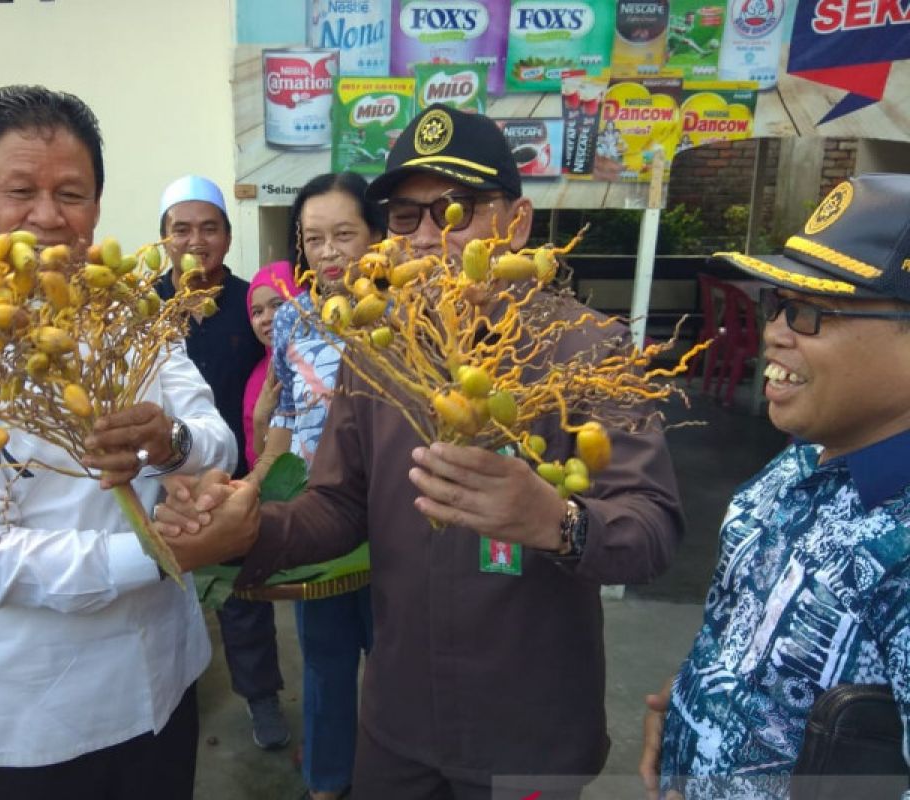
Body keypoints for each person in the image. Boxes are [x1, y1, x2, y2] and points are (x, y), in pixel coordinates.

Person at [155, 104, 685, 799]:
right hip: (400, 723)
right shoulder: (379, 353)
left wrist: (560, 522)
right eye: (407, 216)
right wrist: (249, 527)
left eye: (457, 209)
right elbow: (339, 507)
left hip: (527, 730)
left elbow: (652, 525)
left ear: (518, 223)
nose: (432, 236)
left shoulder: (584, 349)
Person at [0, 85, 235, 800]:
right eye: (20, 190)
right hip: (34, 727)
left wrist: (172, 444)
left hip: (163, 688)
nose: (46, 217)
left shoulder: (135, 324)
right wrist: (159, 553)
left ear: (97, 208)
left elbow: (217, 443)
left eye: (71, 193)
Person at [640, 173, 910, 800]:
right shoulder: (802, 459)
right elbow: (742, 622)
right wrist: (689, 709)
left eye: (813, 311)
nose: (776, 333)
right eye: (780, 303)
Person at [248, 173, 381, 800]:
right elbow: (285, 416)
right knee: (324, 661)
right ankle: (327, 782)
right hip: (316, 518)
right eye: (314, 239)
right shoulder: (293, 322)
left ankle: (390, 776)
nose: (329, 253)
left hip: (392, 521)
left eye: (344, 235)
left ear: (376, 236)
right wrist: (259, 491)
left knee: (393, 664)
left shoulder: (407, 317)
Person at [155, 175, 291, 751]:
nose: (195, 240)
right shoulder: (141, 309)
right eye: (181, 229)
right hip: (159, 477)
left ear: (229, 236)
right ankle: (167, 694)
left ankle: (261, 699)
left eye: (209, 228)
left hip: (235, 477)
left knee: (242, 595)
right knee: (158, 589)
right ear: (163, 239)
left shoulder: (246, 302)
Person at [243, 260, 301, 471]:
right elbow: (257, 465)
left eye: (277, 305)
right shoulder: (258, 379)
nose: (267, 319)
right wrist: (260, 419)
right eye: (257, 312)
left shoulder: (325, 363)